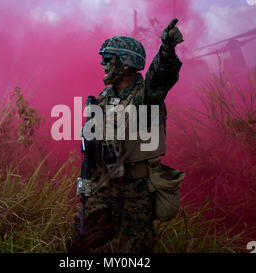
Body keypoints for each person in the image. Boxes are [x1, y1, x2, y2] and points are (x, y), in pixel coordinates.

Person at [67, 18, 183, 253]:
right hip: (105, 185)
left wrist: (167, 50)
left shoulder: (146, 95)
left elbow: (160, 77)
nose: (102, 64)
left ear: (127, 64)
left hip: (136, 192)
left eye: (108, 59)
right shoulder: (105, 96)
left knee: (131, 253)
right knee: (76, 242)